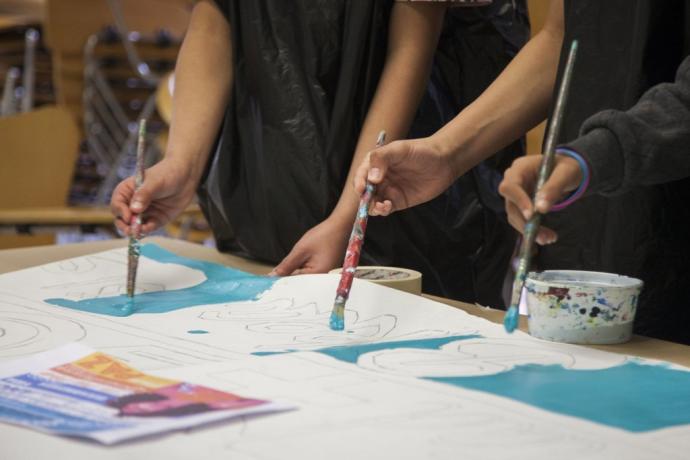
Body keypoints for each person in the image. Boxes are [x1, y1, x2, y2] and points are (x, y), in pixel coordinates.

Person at [112, 0, 529, 305]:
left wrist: (347, 217)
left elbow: (411, 49)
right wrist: (182, 165)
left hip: (401, 216)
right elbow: (214, 18)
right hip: (268, 206)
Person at [354, 0, 690, 344]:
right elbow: (561, 37)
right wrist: (445, 153)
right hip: (577, 186)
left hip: (661, 212)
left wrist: (594, 155)